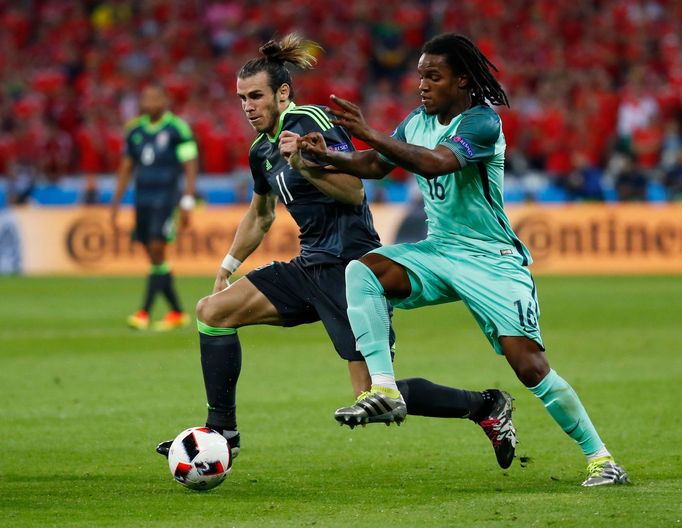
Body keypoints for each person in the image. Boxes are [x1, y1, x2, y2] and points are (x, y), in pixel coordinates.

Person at [155, 34, 518, 469]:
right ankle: (223, 432)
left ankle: (485, 406)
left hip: (351, 268)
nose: (247, 106)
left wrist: (304, 163)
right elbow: (260, 214)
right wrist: (227, 266)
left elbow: (351, 191)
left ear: (282, 93)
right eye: (241, 98)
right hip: (309, 265)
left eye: (256, 96)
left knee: (373, 398)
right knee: (211, 312)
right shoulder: (260, 151)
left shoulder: (312, 122)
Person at [295, 33, 629, 487]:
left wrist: (368, 131)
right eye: (420, 76)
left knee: (528, 365)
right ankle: (386, 388)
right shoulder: (417, 120)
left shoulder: (482, 124)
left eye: (433, 76)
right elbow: (375, 166)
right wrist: (325, 157)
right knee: (364, 270)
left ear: (463, 80)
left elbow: (435, 163)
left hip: (491, 259)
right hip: (440, 250)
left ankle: (602, 459)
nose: (422, 86)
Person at [110, 84, 198, 331]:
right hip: (143, 198)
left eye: (153, 98)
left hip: (166, 197)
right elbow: (127, 166)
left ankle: (144, 312)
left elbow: (190, 165)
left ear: (164, 101)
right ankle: (178, 313)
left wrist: (188, 200)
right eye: (144, 97)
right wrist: (115, 202)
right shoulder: (134, 130)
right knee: (153, 254)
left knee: (158, 247)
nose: (148, 102)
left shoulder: (176, 128)